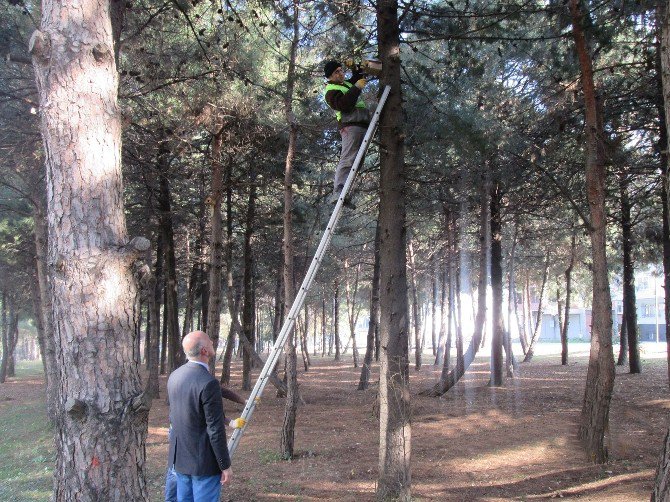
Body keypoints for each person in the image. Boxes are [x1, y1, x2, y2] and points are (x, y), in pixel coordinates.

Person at [166, 331, 233, 502]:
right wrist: (225, 465)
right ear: (204, 350)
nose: (212, 341)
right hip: (204, 464)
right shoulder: (209, 383)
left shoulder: (175, 375)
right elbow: (215, 429)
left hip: (180, 460)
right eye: (209, 341)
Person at [165, 385, 246, 502]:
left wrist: (243, 401)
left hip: (185, 432)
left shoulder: (200, 380)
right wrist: (231, 422)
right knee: (176, 472)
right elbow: (205, 414)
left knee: (185, 472)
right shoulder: (187, 382)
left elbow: (219, 391)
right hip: (181, 432)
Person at [323, 59, 371, 209]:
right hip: (350, 126)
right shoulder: (330, 91)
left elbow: (358, 76)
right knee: (348, 158)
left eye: (341, 70)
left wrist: (354, 68)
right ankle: (339, 190)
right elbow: (344, 105)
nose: (341, 73)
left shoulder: (347, 85)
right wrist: (356, 88)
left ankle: (346, 192)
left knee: (357, 162)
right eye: (337, 72)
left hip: (362, 124)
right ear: (330, 76)